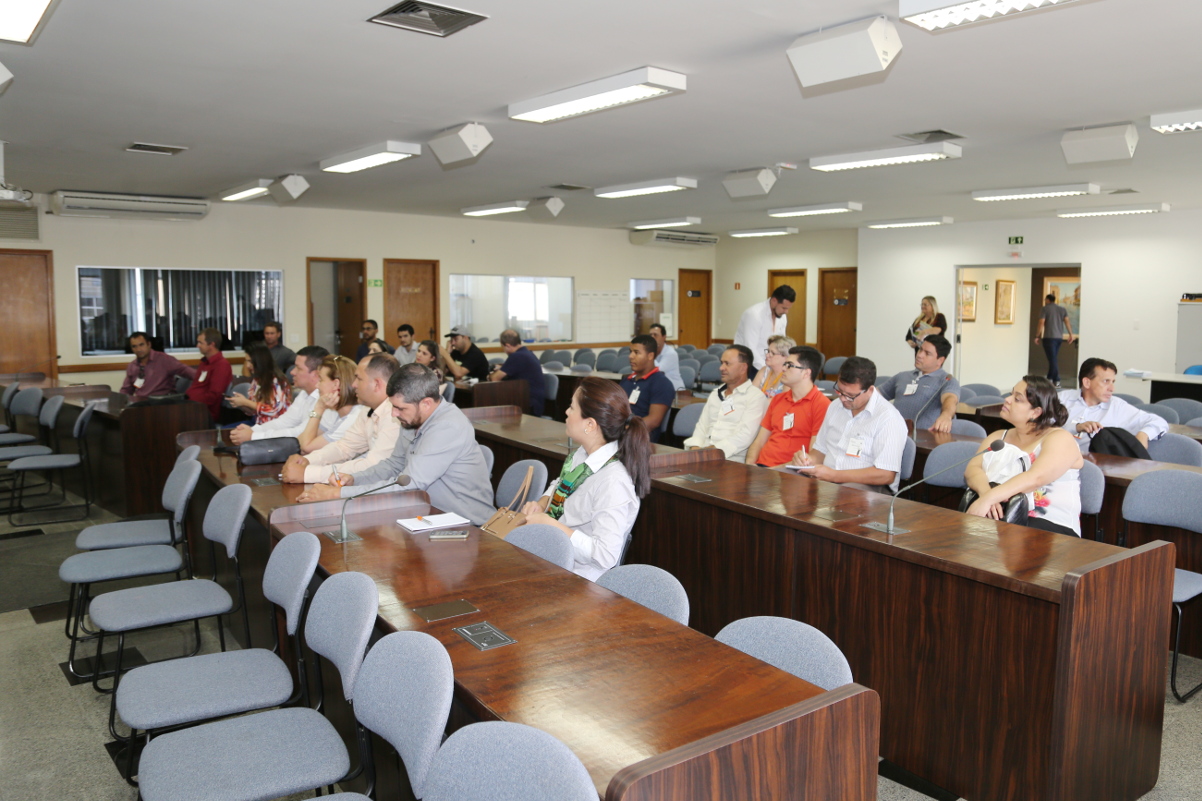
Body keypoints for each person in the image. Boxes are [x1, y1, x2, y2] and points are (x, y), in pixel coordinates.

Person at [298, 363, 495, 526]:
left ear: (426, 403)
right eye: (393, 406)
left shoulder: (447, 427)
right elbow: (394, 465)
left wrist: (339, 494)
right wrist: (355, 479)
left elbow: (410, 486)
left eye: (400, 408)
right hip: (428, 515)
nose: (394, 414)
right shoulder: (413, 418)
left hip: (467, 525)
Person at [518, 377, 651, 581]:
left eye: (572, 408)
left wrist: (552, 526)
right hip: (551, 557)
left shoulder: (613, 481)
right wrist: (542, 504)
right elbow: (560, 484)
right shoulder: (583, 453)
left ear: (590, 424)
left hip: (580, 578)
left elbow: (605, 556)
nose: (566, 412)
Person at [964, 376, 1084, 536]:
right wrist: (985, 494)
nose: (1007, 400)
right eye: (1011, 394)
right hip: (1004, 518)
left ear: (1036, 412)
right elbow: (973, 468)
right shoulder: (998, 437)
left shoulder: (1059, 438)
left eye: (1017, 399)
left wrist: (988, 499)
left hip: (1052, 527)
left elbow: (1036, 478)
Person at [282, 353, 402, 484]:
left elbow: (374, 466)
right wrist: (308, 460)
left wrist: (308, 473)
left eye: (359, 379)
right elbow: (345, 447)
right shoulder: (368, 409)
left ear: (376, 384)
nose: (354, 384)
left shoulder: (395, 414)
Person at [793, 356, 908, 492]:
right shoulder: (835, 406)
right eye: (839, 391)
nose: (843, 399)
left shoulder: (888, 418)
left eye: (850, 395)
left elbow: (885, 474)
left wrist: (834, 476)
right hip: (829, 481)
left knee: (846, 493)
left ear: (870, 390)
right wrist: (807, 460)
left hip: (869, 487)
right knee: (785, 477)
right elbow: (820, 450)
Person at [1059, 357, 1167, 454]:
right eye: (1106, 381)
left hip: (1096, 465)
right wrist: (1075, 427)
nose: (1112, 388)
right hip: (1057, 459)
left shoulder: (1117, 407)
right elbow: (1047, 427)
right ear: (1087, 382)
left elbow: (1158, 422)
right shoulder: (1062, 399)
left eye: (1113, 382)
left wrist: (1143, 434)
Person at [745, 346, 830, 467]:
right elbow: (759, 441)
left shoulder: (822, 405)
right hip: (761, 467)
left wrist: (769, 471)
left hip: (790, 471)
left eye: (789, 365)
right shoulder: (778, 399)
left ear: (806, 373)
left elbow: (812, 457)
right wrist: (749, 464)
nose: (783, 368)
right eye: (785, 364)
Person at [684, 345, 770, 462]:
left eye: (727, 364)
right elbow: (702, 426)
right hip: (704, 454)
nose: (721, 368)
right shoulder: (716, 393)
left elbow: (745, 436)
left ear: (743, 368)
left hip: (731, 460)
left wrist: (710, 452)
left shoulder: (755, 397)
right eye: (721, 363)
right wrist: (695, 448)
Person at [229, 346, 331, 444]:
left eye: (298, 368)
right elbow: (284, 422)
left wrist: (254, 436)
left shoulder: (327, 399)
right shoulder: (304, 394)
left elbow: (301, 432)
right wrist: (254, 430)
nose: (292, 372)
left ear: (315, 374)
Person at [876, 334, 961, 433]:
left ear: (940, 360)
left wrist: (946, 415)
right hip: (893, 433)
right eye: (920, 350)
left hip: (924, 437)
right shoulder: (902, 376)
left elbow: (950, 399)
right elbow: (874, 395)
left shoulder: (946, 380)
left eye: (927, 353)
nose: (919, 355)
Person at [295, 355, 363, 453]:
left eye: (321, 380)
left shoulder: (353, 419)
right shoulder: (333, 412)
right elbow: (299, 443)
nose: (317, 385)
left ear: (336, 384)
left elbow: (306, 447)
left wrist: (318, 409)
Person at [619, 334, 676, 442]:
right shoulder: (626, 381)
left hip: (641, 439)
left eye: (636, 352)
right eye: (630, 352)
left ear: (650, 356)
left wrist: (624, 431)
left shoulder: (661, 383)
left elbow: (654, 421)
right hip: (620, 433)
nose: (631, 356)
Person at [228, 341, 291, 425]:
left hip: (274, 426)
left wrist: (245, 402)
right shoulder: (257, 380)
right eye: (246, 361)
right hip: (259, 423)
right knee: (230, 430)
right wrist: (242, 404)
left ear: (260, 361)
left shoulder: (276, 381)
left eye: (250, 361)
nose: (247, 365)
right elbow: (254, 411)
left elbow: (273, 410)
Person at [734, 285, 794, 371]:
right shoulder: (754, 315)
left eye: (788, 308)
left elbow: (781, 345)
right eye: (784, 308)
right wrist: (766, 369)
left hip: (769, 365)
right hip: (749, 364)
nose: (786, 312)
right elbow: (750, 348)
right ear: (774, 301)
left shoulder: (782, 317)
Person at [489, 328, 546, 416]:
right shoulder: (527, 353)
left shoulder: (517, 356)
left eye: (502, 347)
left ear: (507, 345)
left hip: (528, 404)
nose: (503, 350)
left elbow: (494, 379)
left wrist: (490, 375)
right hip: (534, 401)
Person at [119, 331, 192, 398]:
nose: (138, 349)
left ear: (149, 344)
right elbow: (126, 390)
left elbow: (188, 372)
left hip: (162, 402)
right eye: (134, 346)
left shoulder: (165, 360)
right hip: (141, 403)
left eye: (141, 345)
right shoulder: (132, 366)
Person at [184, 327, 233, 422]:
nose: (197, 346)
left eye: (200, 343)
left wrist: (190, 403)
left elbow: (213, 396)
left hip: (204, 412)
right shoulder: (204, 363)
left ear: (211, 345)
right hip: (193, 407)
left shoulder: (221, 365)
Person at [1035, 294, 1076, 387]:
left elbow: (1041, 322)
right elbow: (1067, 322)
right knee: (1052, 358)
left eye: (1045, 300)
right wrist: (1071, 334)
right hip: (1059, 338)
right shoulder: (1062, 309)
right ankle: (1050, 378)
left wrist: (1037, 335)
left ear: (1048, 300)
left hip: (1049, 337)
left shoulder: (1045, 309)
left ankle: (1057, 380)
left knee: (1052, 359)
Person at [752, 334, 796, 399]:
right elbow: (751, 394)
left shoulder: (789, 377)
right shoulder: (764, 370)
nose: (767, 355)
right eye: (768, 351)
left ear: (786, 357)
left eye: (772, 353)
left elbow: (781, 402)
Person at [649, 323, 685, 391]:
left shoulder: (671, 353)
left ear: (664, 337)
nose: (652, 337)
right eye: (650, 335)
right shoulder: (652, 352)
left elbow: (658, 371)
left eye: (655, 335)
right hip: (660, 388)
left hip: (675, 390)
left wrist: (650, 354)